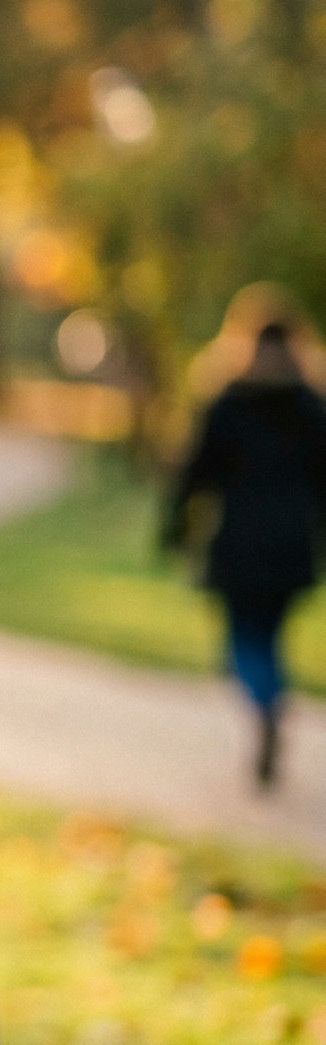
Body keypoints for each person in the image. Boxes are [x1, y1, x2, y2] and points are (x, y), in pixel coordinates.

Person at [164, 321, 326, 789]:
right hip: (292, 546)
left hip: (240, 543)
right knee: (268, 636)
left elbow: (196, 473)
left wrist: (176, 526)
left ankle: (265, 702)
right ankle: (269, 697)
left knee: (243, 642)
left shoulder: (230, 403)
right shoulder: (309, 406)